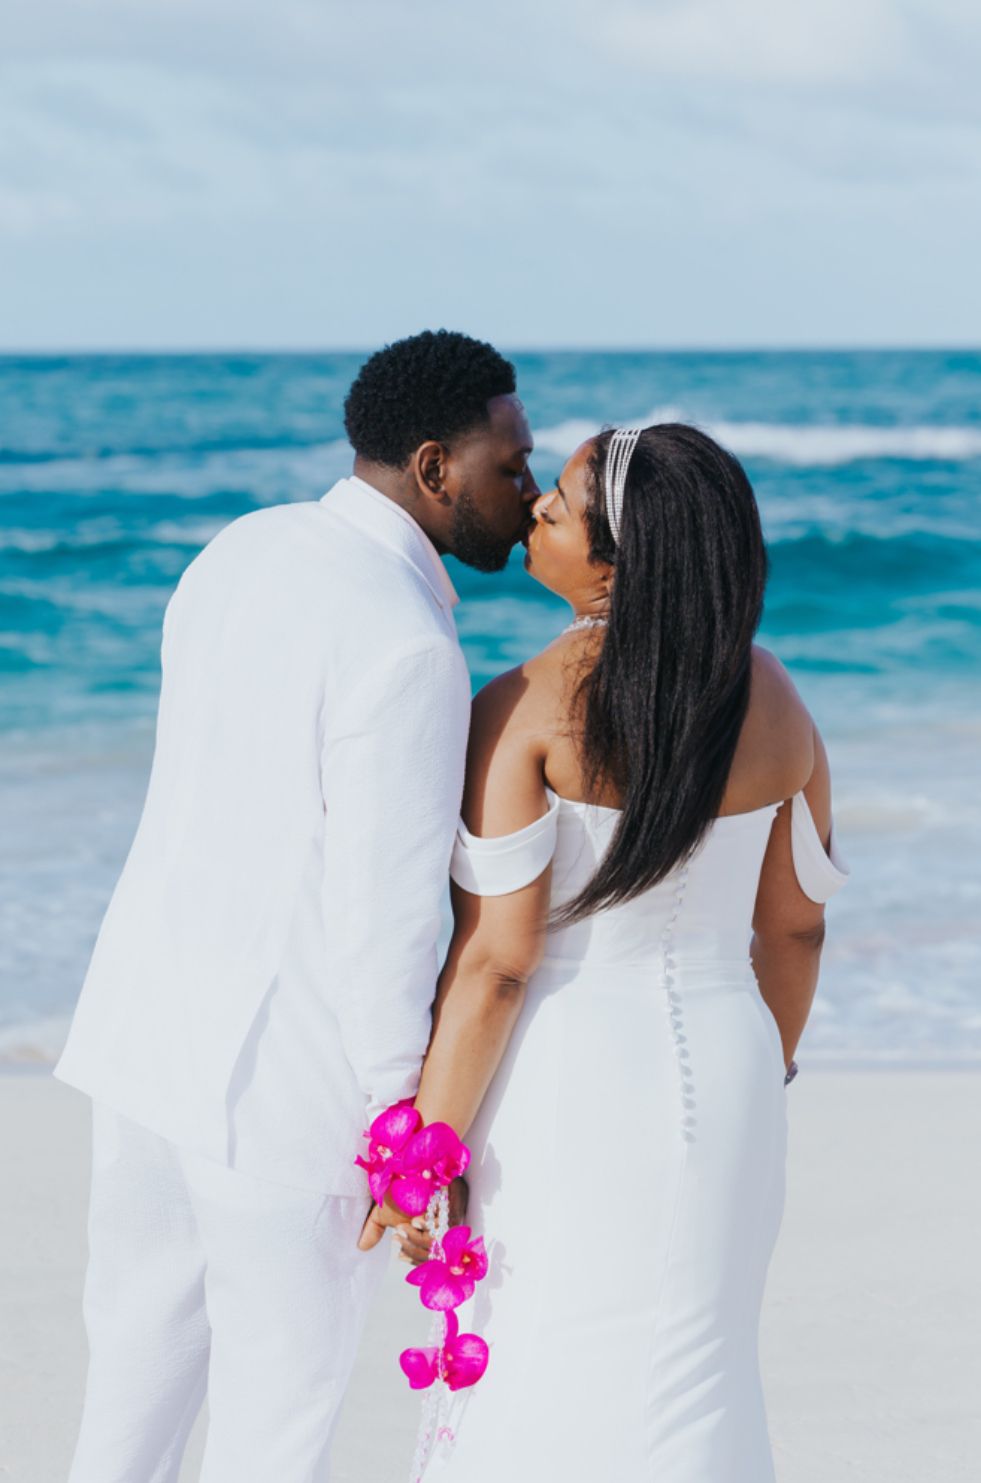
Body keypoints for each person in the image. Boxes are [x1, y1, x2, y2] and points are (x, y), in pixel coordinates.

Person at [54, 329, 539, 1483]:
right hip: (283, 1091)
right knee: (276, 1432)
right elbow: (381, 916)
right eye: (509, 465)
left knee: (125, 1413)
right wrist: (401, 1135)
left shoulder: (241, 547)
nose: (527, 492)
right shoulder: (407, 642)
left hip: (143, 1047)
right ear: (434, 468)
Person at [361, 424, 849, 1481]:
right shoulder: (778, 702)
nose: (535, 506)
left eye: (563, 502)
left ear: (619, 557)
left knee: (543, 1347)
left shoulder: (525, 707)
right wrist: (767, 1067)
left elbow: (499, 962)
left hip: (566, 1074)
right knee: (700, 1365)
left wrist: (420, 1159)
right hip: (732, 1065)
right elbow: (797, 927)